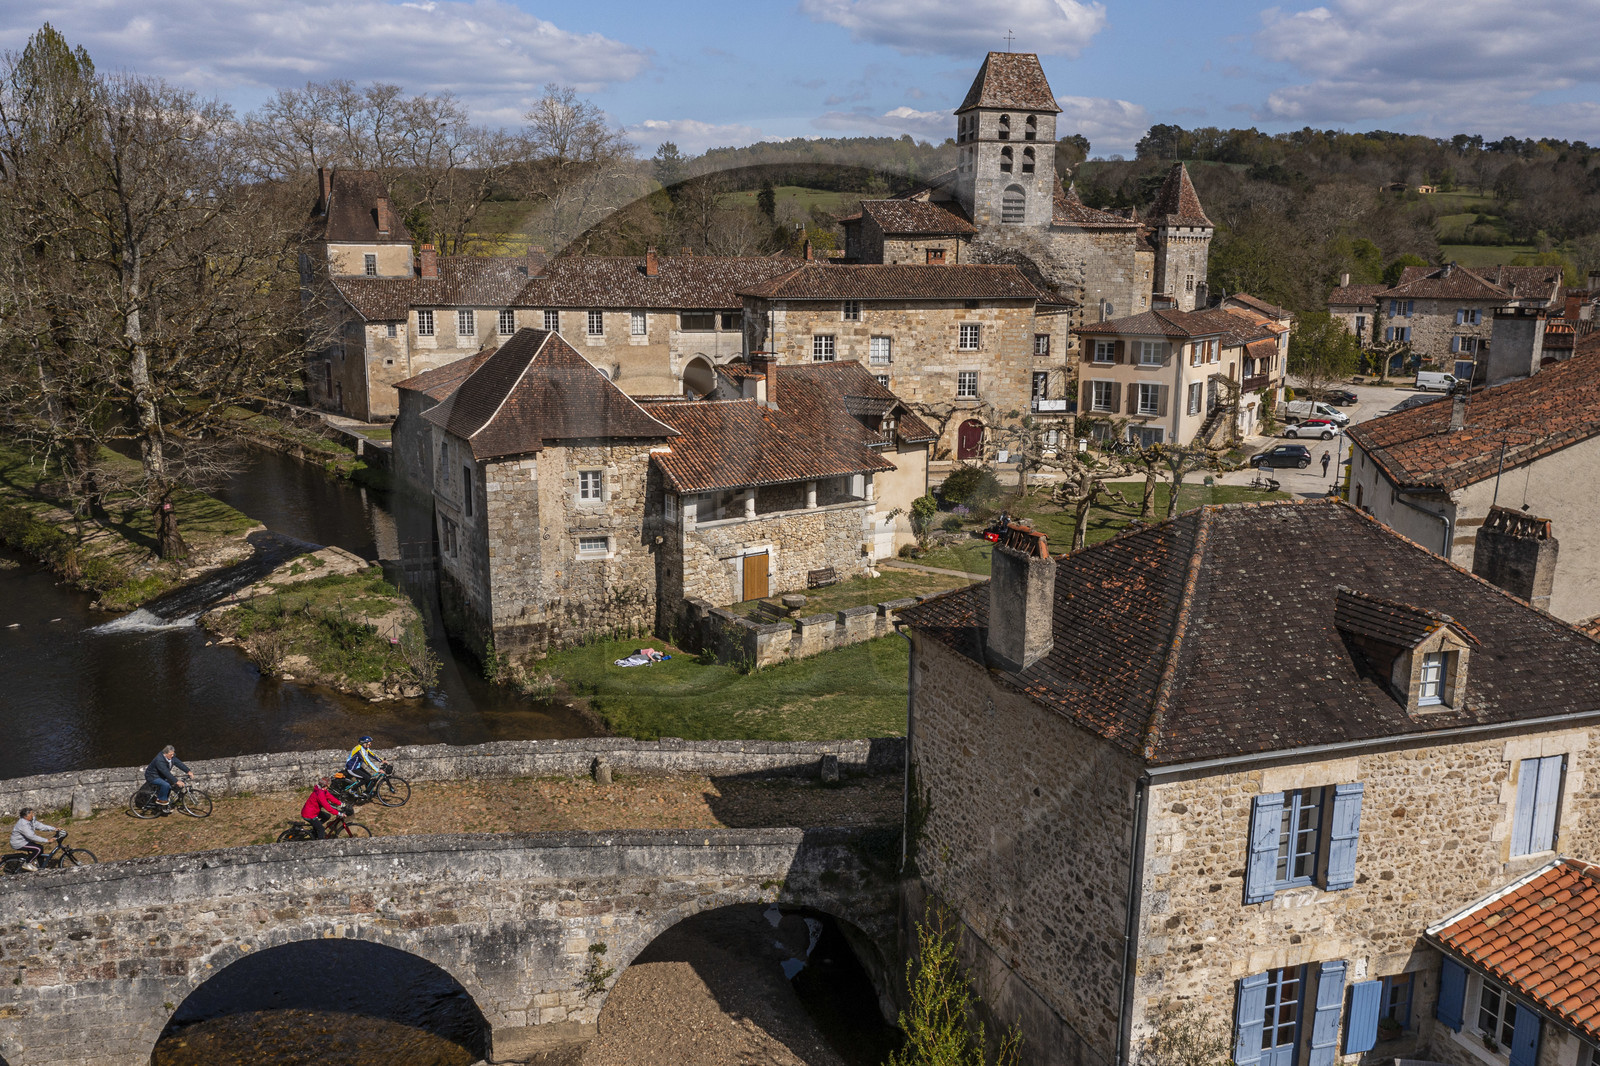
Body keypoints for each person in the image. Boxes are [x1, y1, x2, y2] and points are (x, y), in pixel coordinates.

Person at [145, 745, 193, 813]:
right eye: (171, 754)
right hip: (152, 776)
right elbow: (166, 772)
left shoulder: (171, 756)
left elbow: (179, 763)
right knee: (166, 785)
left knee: (171, 786)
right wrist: (176, 781)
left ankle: (165, 806)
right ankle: (161, 800)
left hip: (161, 775)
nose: (173, 756)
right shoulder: (159, 760)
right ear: (165, 753)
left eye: (173, 754)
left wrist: (188, 771)